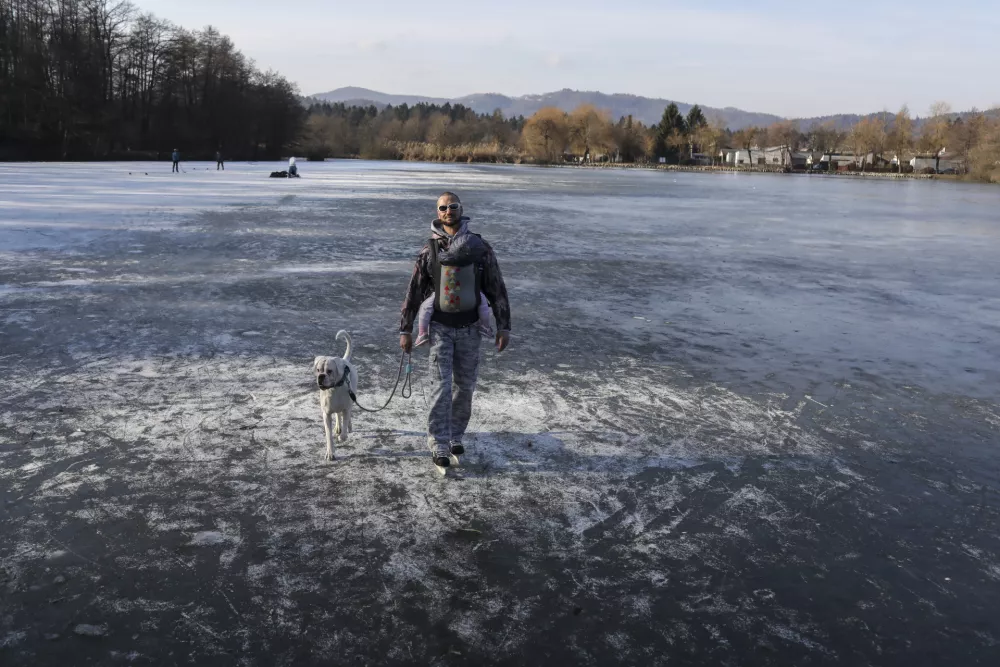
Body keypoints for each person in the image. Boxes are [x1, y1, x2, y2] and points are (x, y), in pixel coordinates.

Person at [399, 192, 511, 471]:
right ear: (438, 212)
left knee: (464, 387)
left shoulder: (480, 248)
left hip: (471, 329)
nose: (448, 211)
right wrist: (406, 329)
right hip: (440, 329)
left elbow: (496, 287)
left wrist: (503, 325)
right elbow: (413, 292)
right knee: (440, 387)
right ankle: (438, 442)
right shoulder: (430, 250)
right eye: (443, 207)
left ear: (461, 209)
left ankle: (455, 436)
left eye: (453, 206)